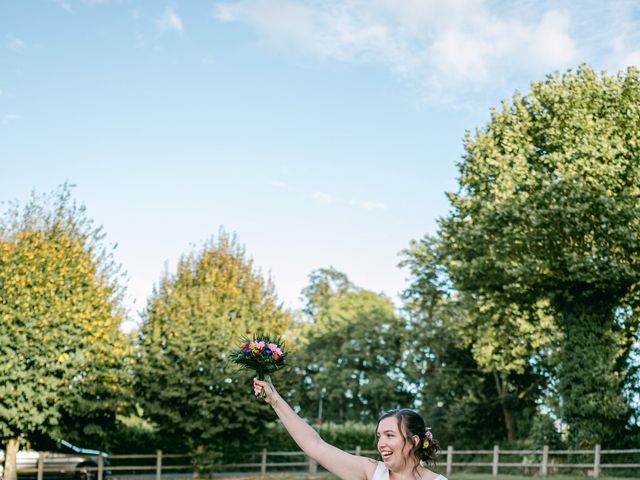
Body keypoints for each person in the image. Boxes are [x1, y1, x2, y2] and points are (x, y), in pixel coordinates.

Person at [253, 378, 447, 480]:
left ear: (413, 441)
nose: (381, 444)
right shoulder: (372, 472)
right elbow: (315, 445)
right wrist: (275, 401)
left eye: (390, 435)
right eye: (379, 436)